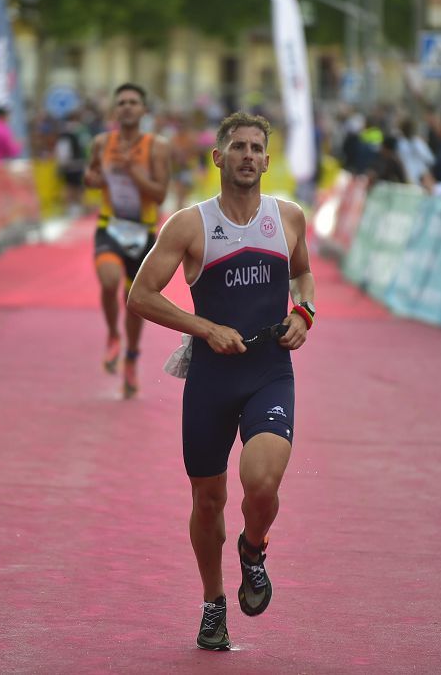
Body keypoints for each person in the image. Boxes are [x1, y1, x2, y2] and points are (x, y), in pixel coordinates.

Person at [127, 112, 316, 650]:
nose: (249, 156)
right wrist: (204, 328)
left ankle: (253, 548)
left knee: (261, 483)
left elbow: (302, 275)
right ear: (218, 157)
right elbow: (140, 295)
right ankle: (213, 603)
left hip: (268, 372)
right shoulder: (188, 225)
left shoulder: (288, 218)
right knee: (207, 501)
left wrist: (304, 314)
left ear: (268, 159)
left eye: (258, 148)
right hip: (211, 377)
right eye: (238, 147)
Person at [83, 83, 171, 398]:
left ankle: (131, 355)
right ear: (114, 110)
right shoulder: (101, 143)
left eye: (134, 102)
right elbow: (90, 176)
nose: (128, 107)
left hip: (144, 231)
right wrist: (94, 179)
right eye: (122, 102)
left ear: (144, 110)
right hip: (111, 226)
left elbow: (160, 195)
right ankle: (111, 335)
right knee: (108, 281)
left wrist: (134, 173)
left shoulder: (157, 147)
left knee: (134, 303)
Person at [396, 117, 434, 186]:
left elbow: (430, 159)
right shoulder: (401, 144)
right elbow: (400, 162)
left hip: (421, 180)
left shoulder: (418, 143)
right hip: (408, 180)